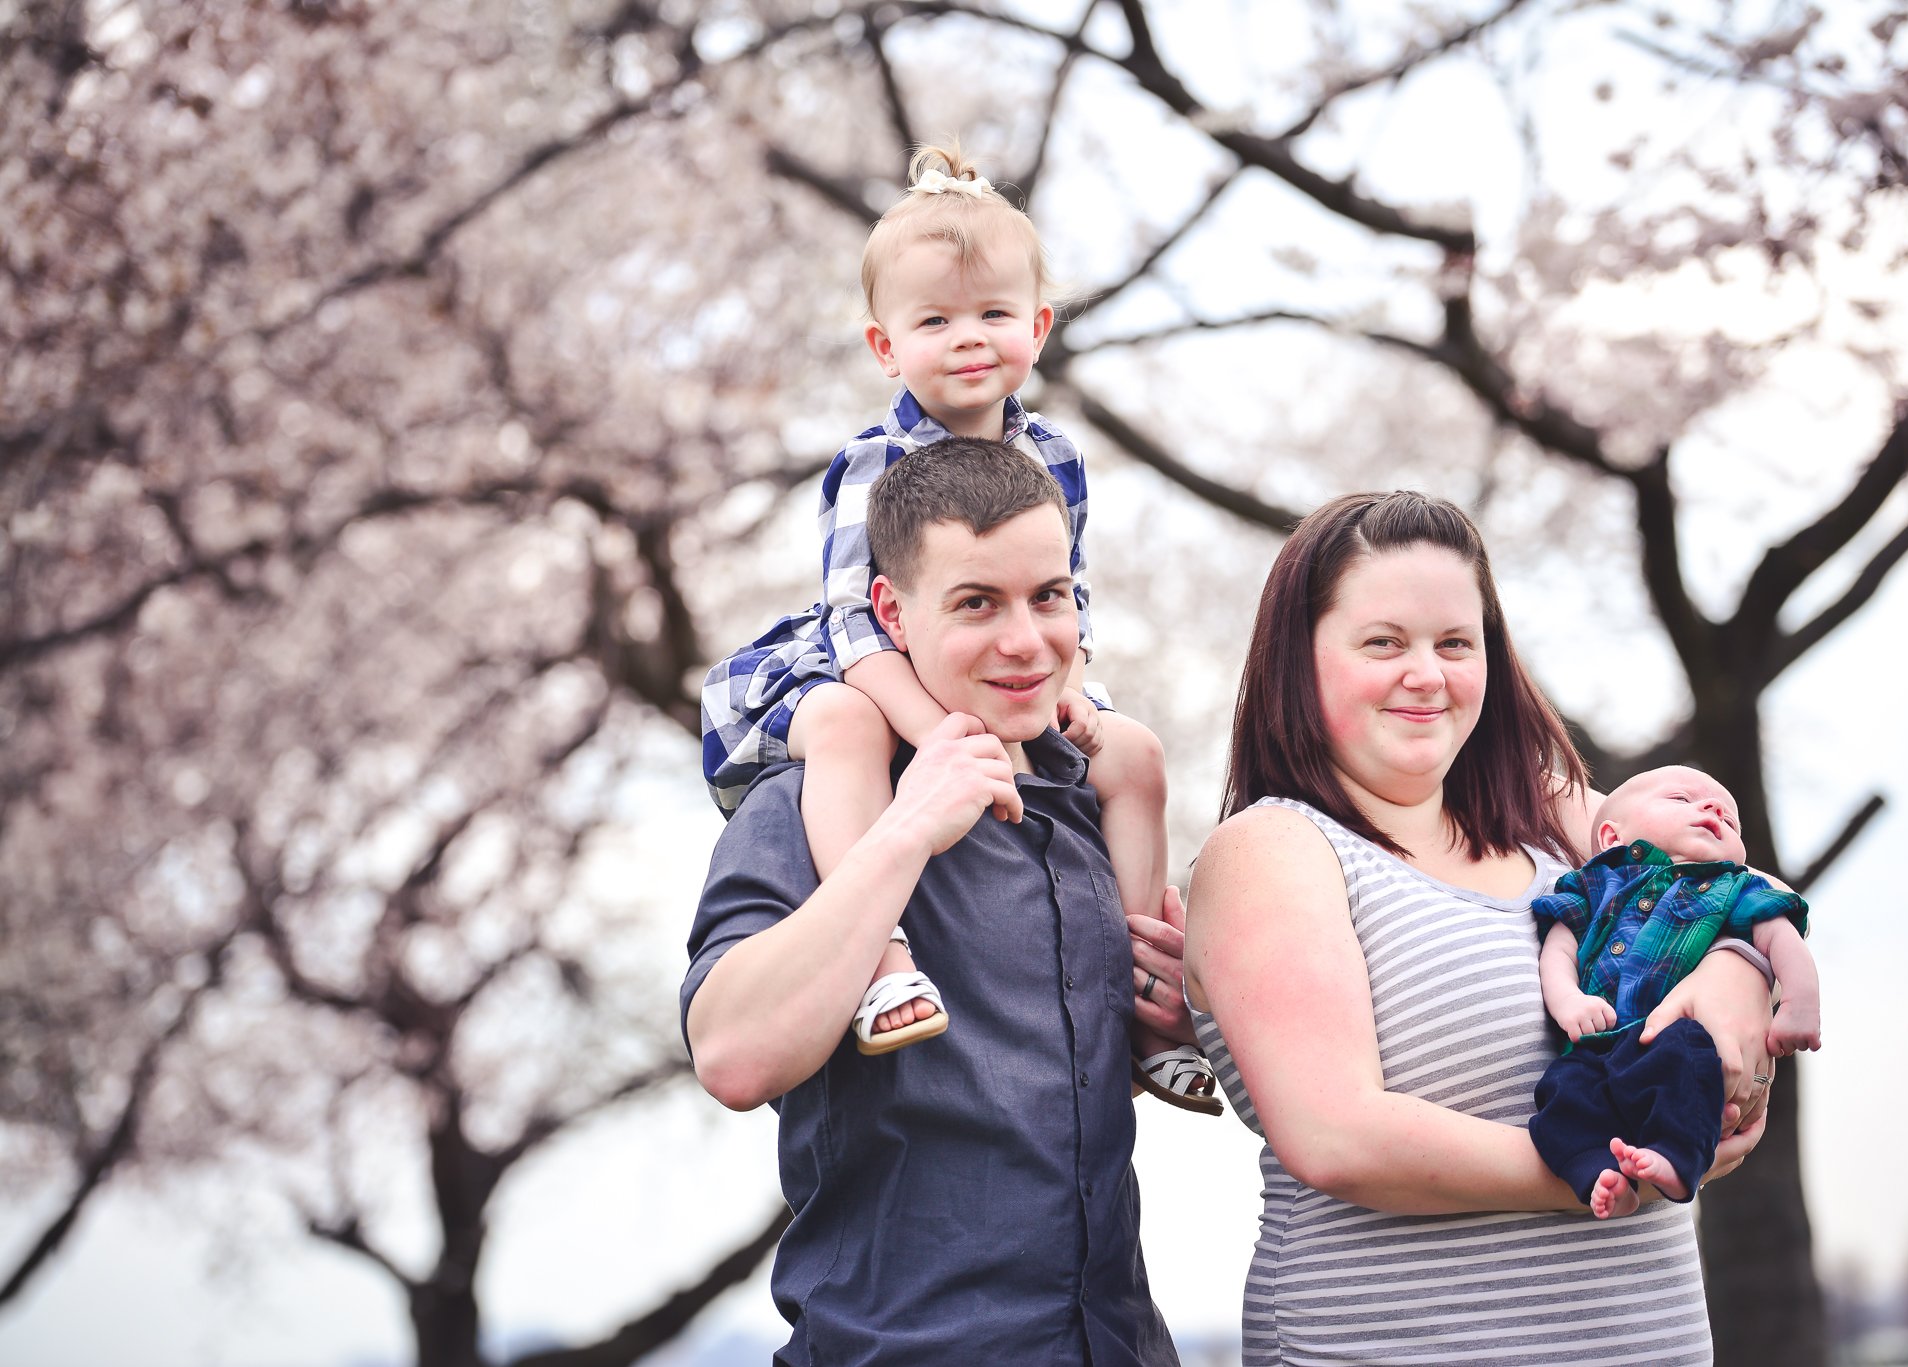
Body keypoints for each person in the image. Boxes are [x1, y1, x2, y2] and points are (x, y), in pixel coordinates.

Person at [1183, 490, 1780, 1366]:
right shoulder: (1273, 849)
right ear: (1298, 661)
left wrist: (1734, 973)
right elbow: (1337, 1136)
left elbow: (1743, 892)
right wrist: (1615, 1172)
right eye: (1383, 641)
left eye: (1455, 643)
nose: (1426, 673)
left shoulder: (1560, 824)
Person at [696, 143, 1213, 1110]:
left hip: (974, 675)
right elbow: (856, 620)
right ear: (885, 346)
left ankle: (1144, 991)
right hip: (852, 667)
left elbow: (1069, 592)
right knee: (850, 729)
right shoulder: (872, 462)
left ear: (1039, 326)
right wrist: (936, 729)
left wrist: (1072, 690)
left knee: (1134, 754)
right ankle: (884, 959)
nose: (969, 338)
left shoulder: (1053, 454)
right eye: (935, 320)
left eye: (993, 315)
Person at [683, 440, 1186, 1365]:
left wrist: (1183, 1006)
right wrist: (904, 835)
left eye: (1049, 596)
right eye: (975, 604)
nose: (1027, 641)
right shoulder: (813, 802)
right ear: (891, 612)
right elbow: (732, 1055)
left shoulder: (1103, 811)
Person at [1531, 764, 1821, 1219]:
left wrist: (1801, 1006)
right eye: (1682, 800)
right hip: (1594, 1045)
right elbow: (1559, 950)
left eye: (1730, 818)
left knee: (1690, 1069)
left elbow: (1782, 939)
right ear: (1612, 837)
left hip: (1667, 1035)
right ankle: (1598, 1176)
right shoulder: (1596, 883)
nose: (1712, 809)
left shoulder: (1733, 887)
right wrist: (1568, 1000)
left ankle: (1675, 1158)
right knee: (1560, 1093)